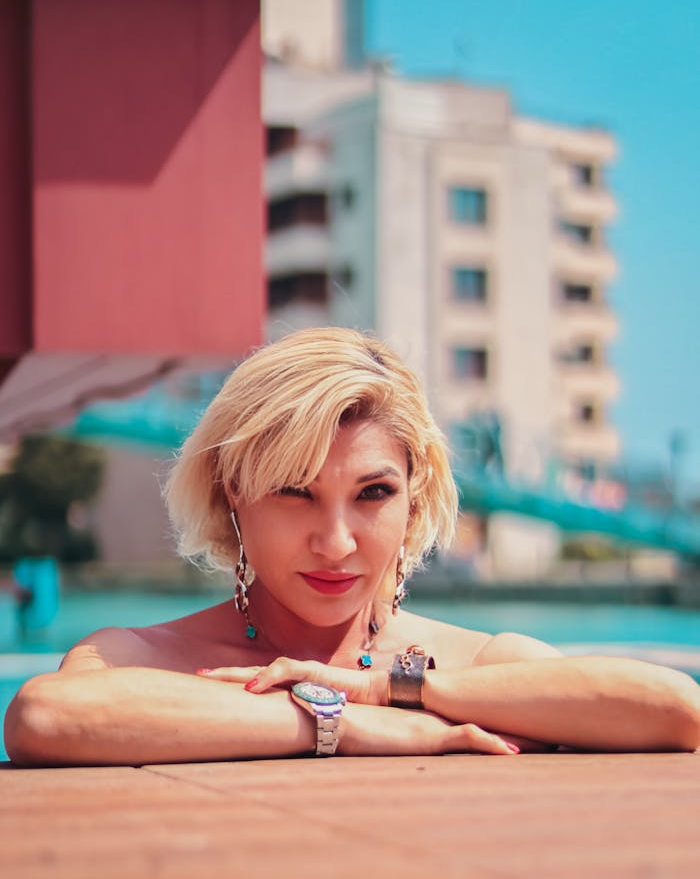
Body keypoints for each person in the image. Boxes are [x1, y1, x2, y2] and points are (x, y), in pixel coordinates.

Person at [4, 328, 699, 765]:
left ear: (414, 500)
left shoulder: (473, 668)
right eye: (294, 492)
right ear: (232, 495)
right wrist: (344, 724)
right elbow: (45, 715)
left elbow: (677, 711)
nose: (335, 543)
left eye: (373, 494)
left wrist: (392, 691)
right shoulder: (136, 658)